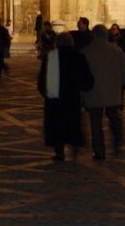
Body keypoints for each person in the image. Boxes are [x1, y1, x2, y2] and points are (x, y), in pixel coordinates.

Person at [38, 32, 94, 161]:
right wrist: (86, 88)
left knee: (56, 124)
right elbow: (85, 77)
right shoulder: (78, 57)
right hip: (71, 97)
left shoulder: (51, 57)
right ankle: (74, 148)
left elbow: (42, 79)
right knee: (72, 122)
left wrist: (44, 92)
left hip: (54, 98)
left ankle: (59, 152)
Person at [80, 25, 125, 160]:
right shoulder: (116, 50)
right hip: (112, 93)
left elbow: (81, 74)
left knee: (96, 124)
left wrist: (83, 92)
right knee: (114, 119)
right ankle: (117, 144)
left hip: (93, 94)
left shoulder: (86, 52)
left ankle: (99, 151)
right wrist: (120, 85)